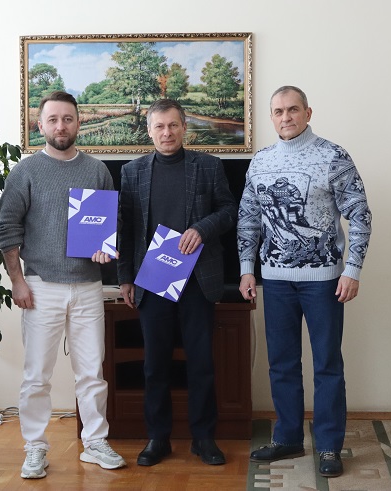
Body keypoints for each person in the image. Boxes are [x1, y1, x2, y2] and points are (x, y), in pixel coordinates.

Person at [238, 86, 372, 478]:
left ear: (307, 113)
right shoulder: (260, 161)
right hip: (275, 280)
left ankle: (329, 446)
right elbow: (248, 218)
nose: (286, 117)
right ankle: (288, 437)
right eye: (278, 111)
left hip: (324, 280)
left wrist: (352, 269)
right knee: (281, 363)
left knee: (327, 364)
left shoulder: (333, 156)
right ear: (271, 116)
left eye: (293, 109)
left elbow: (360, 214)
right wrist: (247, 267)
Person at [0, 91, 126, 479]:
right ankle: (35, 447)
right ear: (41, 125)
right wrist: (17, 281)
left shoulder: (97, 170)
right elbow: (6, 228)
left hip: (88, 287)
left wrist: (105, 248)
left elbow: (109, 224)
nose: (61, 126)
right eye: (53, 119)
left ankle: (95, 442)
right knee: (37, 375)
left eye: (68, 118)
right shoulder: (26, 171)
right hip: (40, 286)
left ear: (79, 123)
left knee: (92, 373)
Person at [117, 99, 237, 466]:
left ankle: (204, 439)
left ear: (184, 127)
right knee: (155, 366)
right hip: (152, 281)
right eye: (159, 126)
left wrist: (202, 229)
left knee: (201, 364)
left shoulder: (209, 166)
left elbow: (229, 211)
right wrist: (124, 278)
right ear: (149, 131)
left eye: (173, 125)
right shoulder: (132, 171)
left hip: (198, 281)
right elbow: (126, 228)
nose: (166, 133)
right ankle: (158, 439)